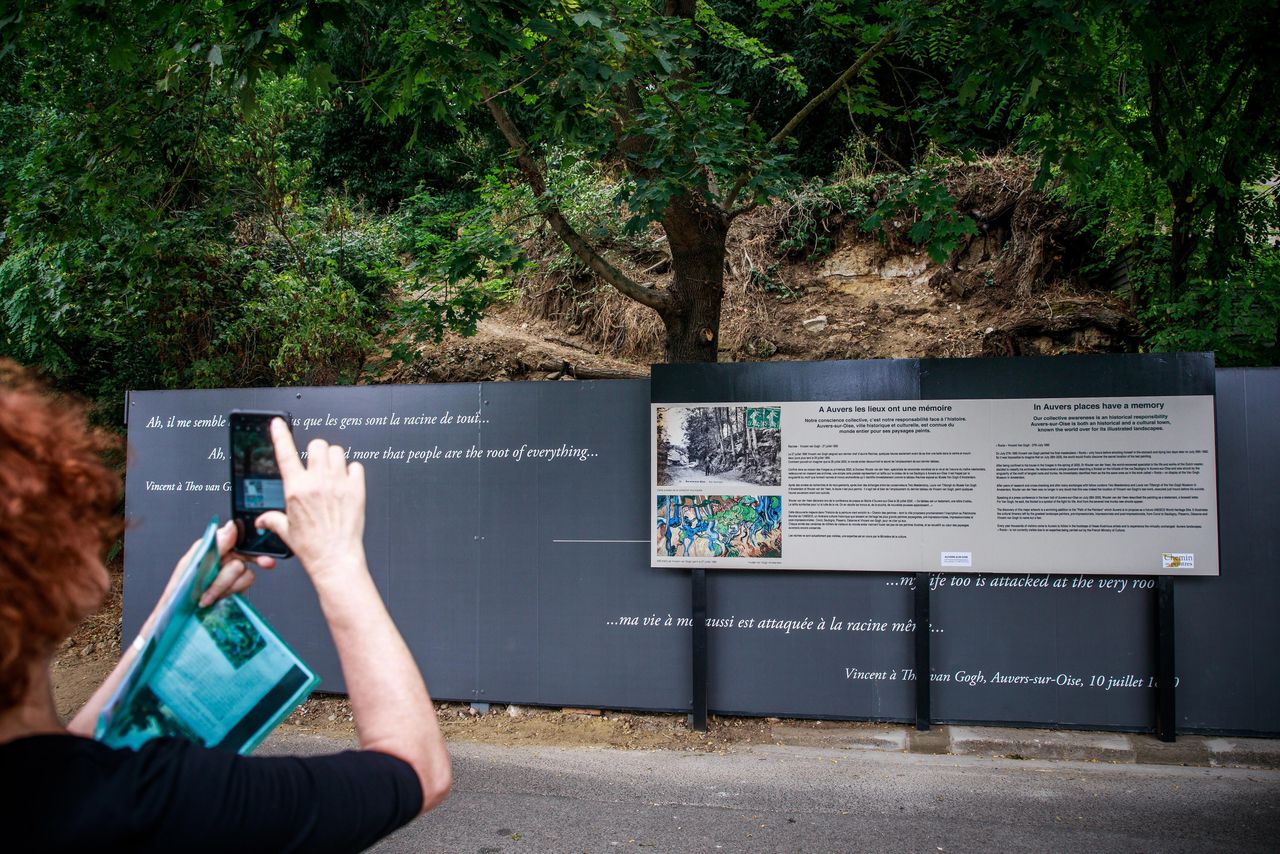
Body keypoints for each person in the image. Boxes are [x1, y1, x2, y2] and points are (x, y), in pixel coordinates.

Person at [0, 361, 451, 852]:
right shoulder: (159, 798)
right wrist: (336, 558)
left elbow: (71, 758)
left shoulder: (75, 791)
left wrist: (170, 613)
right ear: (62, 576)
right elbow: (415, 769)